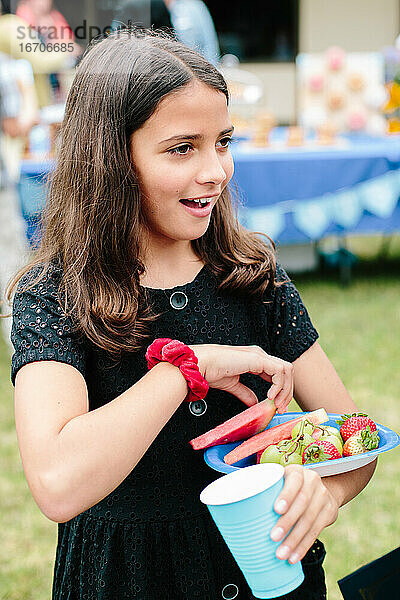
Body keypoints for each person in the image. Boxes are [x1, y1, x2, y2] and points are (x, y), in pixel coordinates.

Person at [8, 29, 376, 600]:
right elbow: (57, 484)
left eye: (222, 141)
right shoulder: (56, 296)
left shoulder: (251, 275)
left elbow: (357, 438)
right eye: (183, 148)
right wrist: (185, 370)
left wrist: (321, 497)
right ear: (111, 160)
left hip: (269, 581)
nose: (216, 170)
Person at [164, 0, 220, 65]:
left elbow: (190, 44)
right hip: (206, 64)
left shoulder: (183, 8)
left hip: (198, 66)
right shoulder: (196, 5)